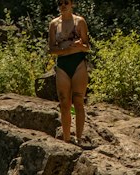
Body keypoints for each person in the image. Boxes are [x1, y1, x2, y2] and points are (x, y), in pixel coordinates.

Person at [48, 1, 91, 147]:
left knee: (78, 101)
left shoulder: (80, 22)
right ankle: (67, 139)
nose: (63, 6)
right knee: (64, 102)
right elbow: (52, 48)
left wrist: (80, 46)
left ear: (72, 4)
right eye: (60, 3)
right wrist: (65, 50)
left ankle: (79, 138)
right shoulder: (54, 24)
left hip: (78, 63)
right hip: (62, 64)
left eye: (66, 2)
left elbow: (87, 47)